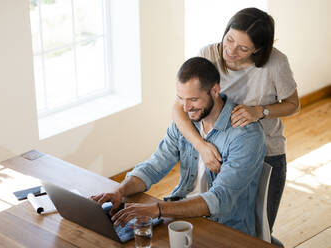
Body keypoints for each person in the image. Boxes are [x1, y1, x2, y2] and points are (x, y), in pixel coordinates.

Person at [92, 57, 266, 237]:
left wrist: (158, 210)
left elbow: (220, 200)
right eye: (180, 98)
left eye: (193, 99)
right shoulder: (185, 124)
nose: (186, 107)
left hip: (223, 228)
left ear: (215, 90)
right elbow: (153, 167)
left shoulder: (246, 136)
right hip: (179, 216)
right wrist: (119, 192)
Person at [172, 7, 300, 246]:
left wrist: (260, 111)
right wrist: (201, 147)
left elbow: (293, 104)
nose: (230, 51)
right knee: (222, 227)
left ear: (258, 49)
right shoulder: (209, 54)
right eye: (229, 39)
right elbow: (179, 108)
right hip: (218, 154)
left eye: (243, 48)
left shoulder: (275, 64)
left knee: (258, 234)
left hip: (268, 156)